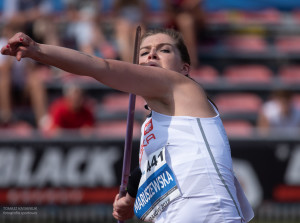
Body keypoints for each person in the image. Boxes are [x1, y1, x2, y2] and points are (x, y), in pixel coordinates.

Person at [1, 28, 254, 222]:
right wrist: (131, 197)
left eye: (164, 50)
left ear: (185, 68)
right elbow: (152, 165)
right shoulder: (151, 125)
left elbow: (100, 66)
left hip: (207, 213)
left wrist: (37, 50)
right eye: (144, 52)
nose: (152, 54)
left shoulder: (183, 87)